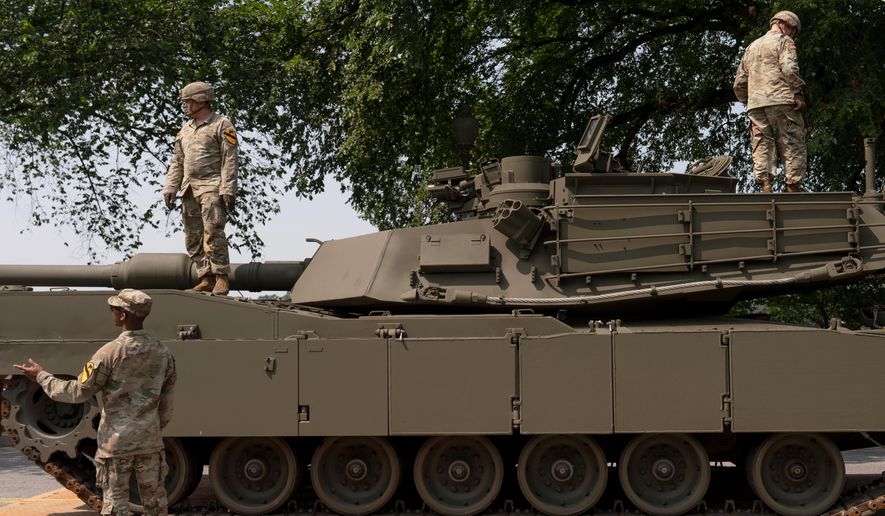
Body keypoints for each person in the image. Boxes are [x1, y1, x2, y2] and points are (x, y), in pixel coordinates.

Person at [13, 289, 177, 516]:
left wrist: (42, 376)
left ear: (122, 315)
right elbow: (166, 405)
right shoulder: (162, 352)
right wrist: (151, 429)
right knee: (156, 506)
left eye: (113, 309)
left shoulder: (108, 353)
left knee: (116, 508)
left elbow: (77, 392)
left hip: (116, 445)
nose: (111, 312)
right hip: (150, 442)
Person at [163, 81, 239, 295]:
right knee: (193, 237)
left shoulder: (222, 124)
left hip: (212, 187)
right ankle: (206, 277)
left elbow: (230, 158)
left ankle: (221, 277)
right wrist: (170, 186)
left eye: (188, 102)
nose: (185, 106)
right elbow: (177, 160)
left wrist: (228, 188)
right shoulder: (185, 130)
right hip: (188, 189)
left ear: (201, 101)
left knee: (213, 232)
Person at [733, 10, 807, 193]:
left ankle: (765, 185)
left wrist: (750, 99)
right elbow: (789, 68)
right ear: (785, 25)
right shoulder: (784, 41)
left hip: (756, 105)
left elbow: (739, 83)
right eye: (793, 31)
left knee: (761, 144)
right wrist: (797, 93)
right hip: (782, 100)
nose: (792, 35)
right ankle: (793, 185)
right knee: (791, 141)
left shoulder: (752, 46)